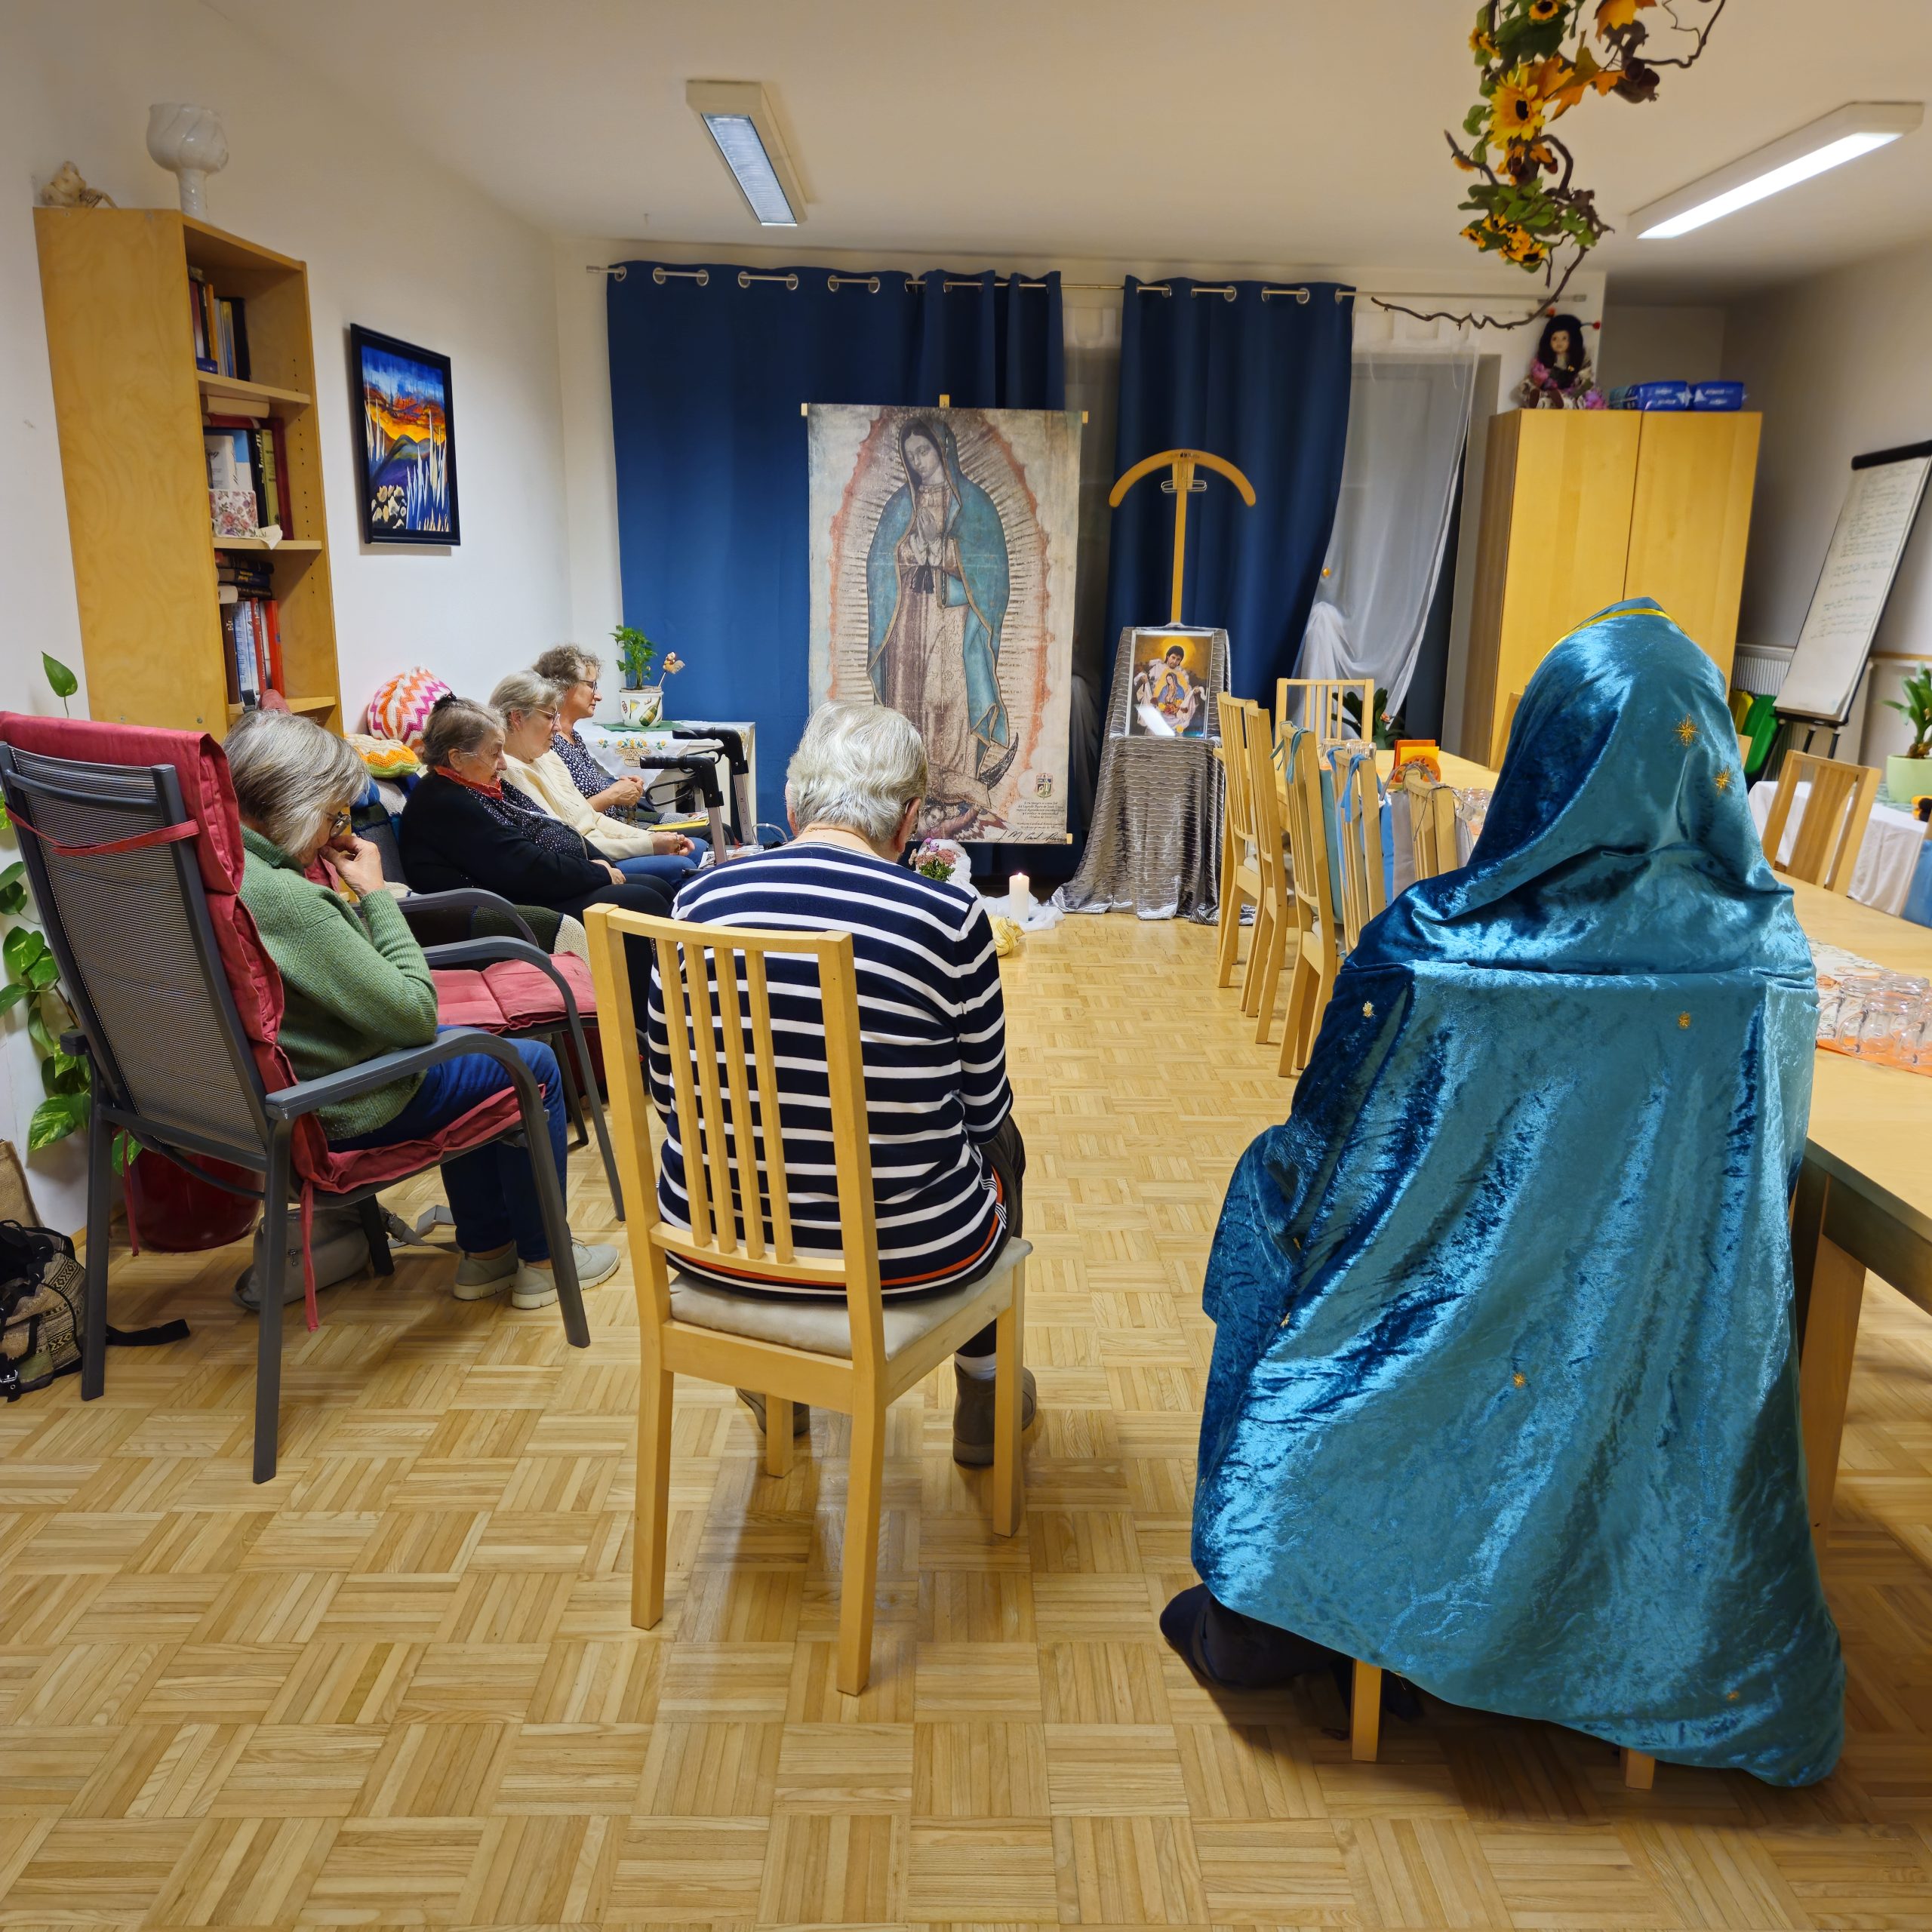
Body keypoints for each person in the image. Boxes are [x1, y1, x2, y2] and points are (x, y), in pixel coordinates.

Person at [1168, 600, 1843, 1786]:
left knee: (1267, 1221)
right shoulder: (1769, 967)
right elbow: (1750, 1201)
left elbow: (1333, 1156)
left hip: (1433, 1337)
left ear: (1544, 756)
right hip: (1647, 1353)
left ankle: (1299, 1612)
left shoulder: (1435, 946)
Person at [645, 700, 1035, 1465]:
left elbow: (669, 1091)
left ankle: (773, 1387)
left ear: (793, 807)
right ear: (910, 820)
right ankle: (984, 1389)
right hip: (909, 1256)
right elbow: (984, 1110)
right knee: (1006, 1146)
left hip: (709, 1242)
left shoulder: (698, 902)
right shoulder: (949, 918)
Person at [225, 709, 619, 1309]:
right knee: (528, 1065)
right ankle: (544, 1262)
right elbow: (413, 1015)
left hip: (256, 1107)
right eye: (333, 815)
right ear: (295, 805)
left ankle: (487, 1253)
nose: (334, 833)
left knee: (469, 1050)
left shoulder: (217, 872)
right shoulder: (291, 902)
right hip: (341, 1105)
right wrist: (375, 895)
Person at [866, 415, 1012, 821]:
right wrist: (909, 551)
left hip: (953, 617)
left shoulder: (974, 504)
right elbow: (880, 563)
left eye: (923, 451)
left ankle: (953, 779)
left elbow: (992, 573)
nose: (918, 462)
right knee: (910, 693)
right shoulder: (901, 505)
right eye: (910, 455)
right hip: (909, 616)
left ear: (942, 449)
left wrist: (945, 551)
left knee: (947, 695)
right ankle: (909, 781)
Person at [492, 669, 700, 893]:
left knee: (696, 847)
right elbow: (567, 842)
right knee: (682, 863)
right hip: (590, 862)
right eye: (549, 717)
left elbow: (592, 818)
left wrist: (653, 838)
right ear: (517, 718)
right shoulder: (510, 772)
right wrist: (649, 845)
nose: (557, 727)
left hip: (604, 846)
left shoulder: (548, 756)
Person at [533, 644, 644, 817]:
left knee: (688, 822)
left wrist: (622, 787)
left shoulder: (574, 737)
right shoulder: (549, 744)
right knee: (688, 828)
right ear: (564, 686)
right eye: (591, 685)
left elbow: (593, 793)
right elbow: (567, 816)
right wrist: (614, 794)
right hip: (599, 832)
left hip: (614, 824)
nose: (598, 696)